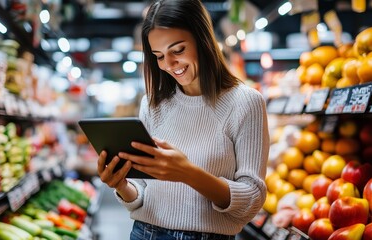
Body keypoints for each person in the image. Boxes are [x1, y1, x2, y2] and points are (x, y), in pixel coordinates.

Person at [97, 0, 270, 239]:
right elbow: (144, 192)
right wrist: (121, 185)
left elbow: (252, 200)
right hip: (144, 233)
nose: (168, 65)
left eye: (178, 50)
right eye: (158, 56)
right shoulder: (152, 103)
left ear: (203, 40)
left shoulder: (246, 102)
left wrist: (188, 173)